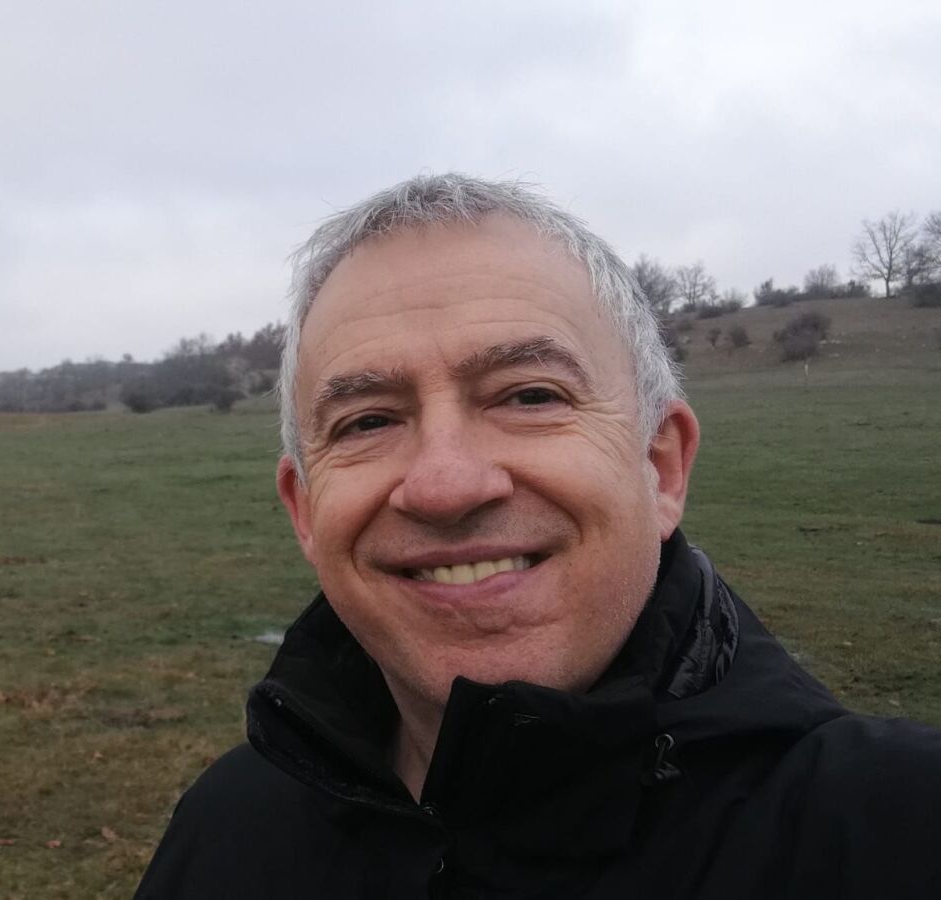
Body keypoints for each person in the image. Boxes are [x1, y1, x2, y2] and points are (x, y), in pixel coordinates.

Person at [134, 174, 941, 899]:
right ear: (306, 512)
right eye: (368, 420)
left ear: (660, 467)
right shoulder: (230, 827)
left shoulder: (896, 833)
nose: (446, 485)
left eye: (529, 396)